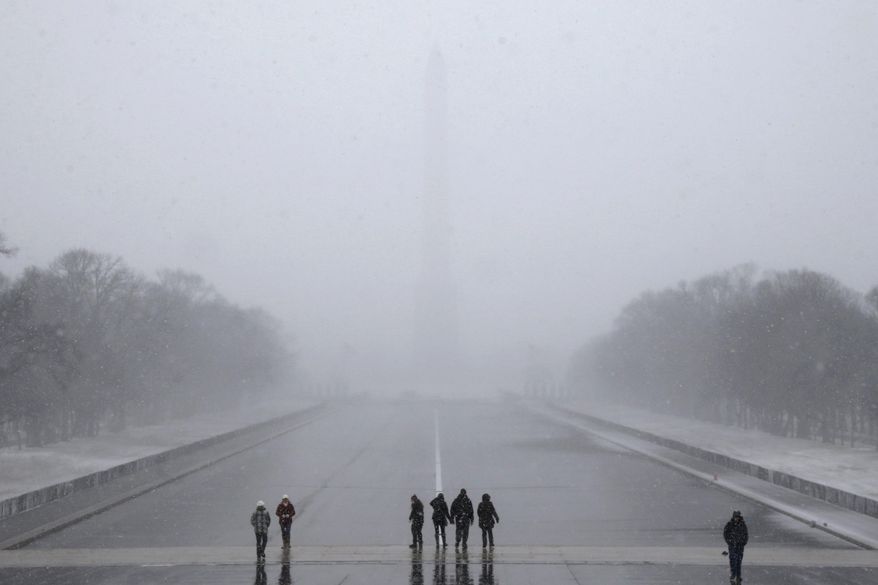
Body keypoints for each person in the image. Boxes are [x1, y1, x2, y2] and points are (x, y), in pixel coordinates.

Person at [723, 510, 749, 584]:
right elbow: (725, 533)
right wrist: (729, 542)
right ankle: (733, 574)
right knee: (733, 560)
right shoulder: (729, 524)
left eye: (737, 517)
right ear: (733, 517)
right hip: (732, 545)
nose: (736, 518)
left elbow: (746, 534)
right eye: (735, 517)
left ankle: (738, 575)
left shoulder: (742, 525)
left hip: (740, 546)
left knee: (738, 561)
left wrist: (743, 542)